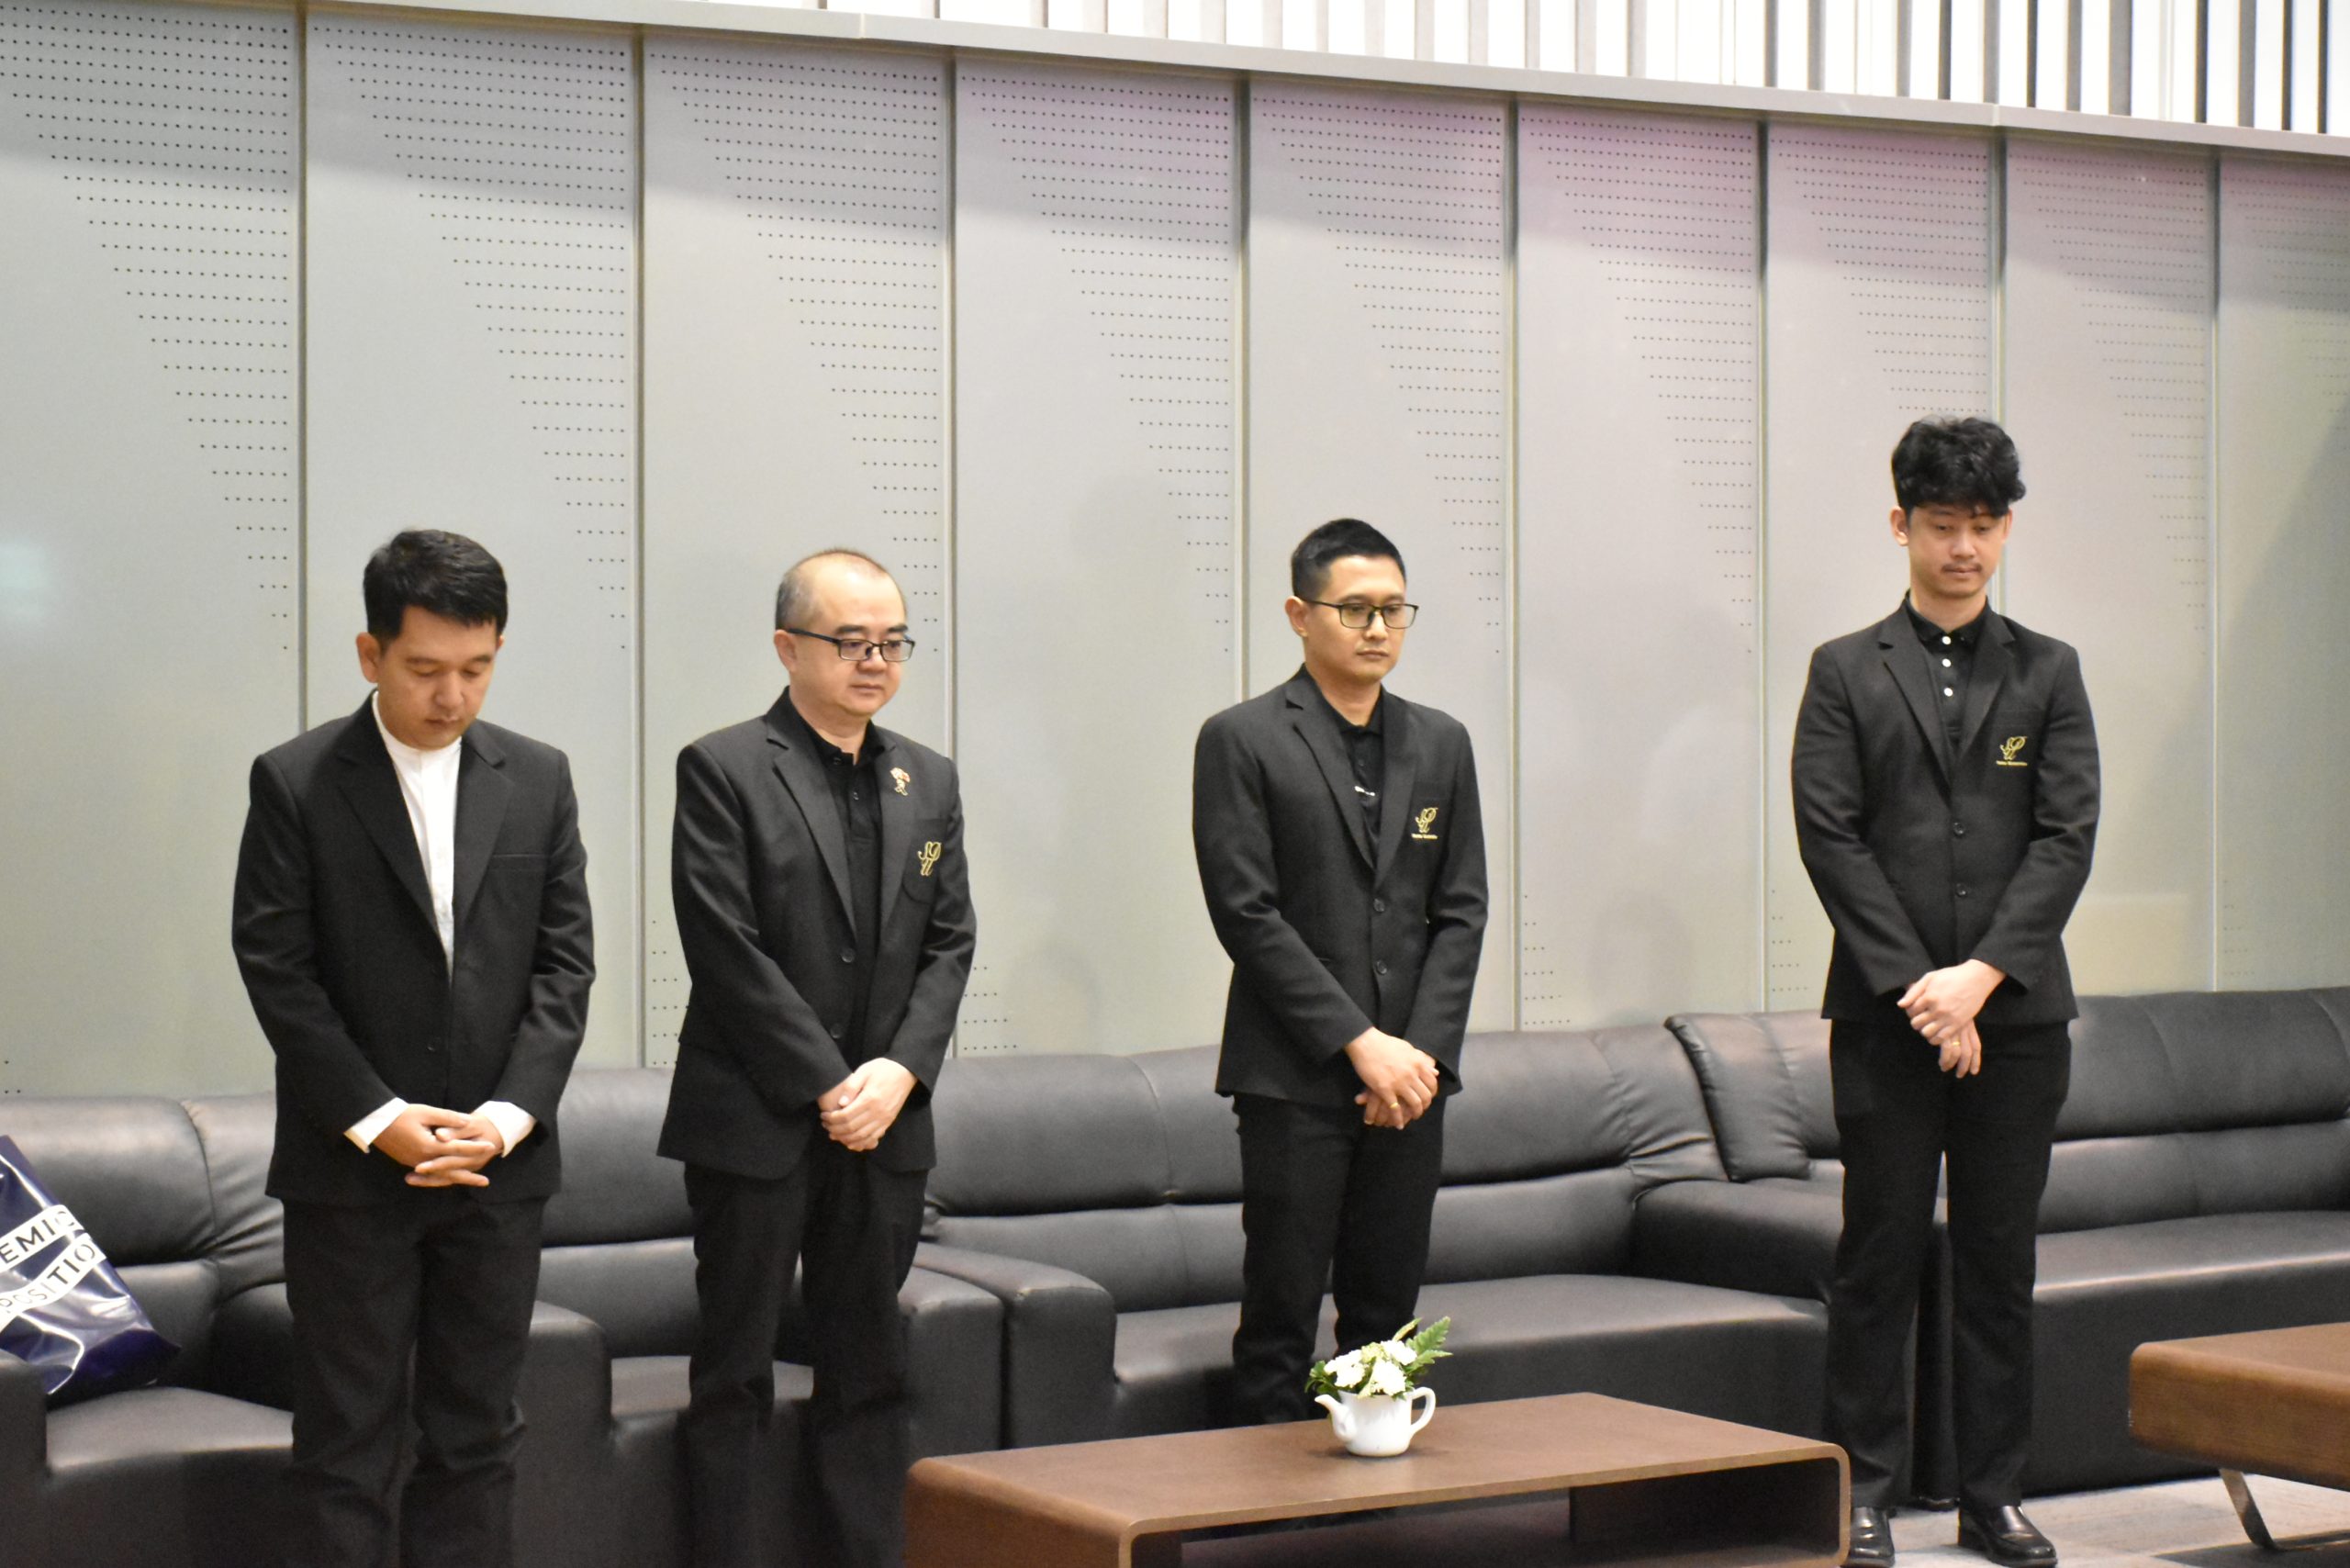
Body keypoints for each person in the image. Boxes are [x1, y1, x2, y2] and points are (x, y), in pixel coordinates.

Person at [231, 529, 595, 1568]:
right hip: (351, 1174)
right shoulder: (297, 780)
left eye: (477, 668)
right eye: (426, 668)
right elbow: (279, 971)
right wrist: (383, 1120)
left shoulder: (538, 776)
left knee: (478, 1441)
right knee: (345, 1447)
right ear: (370, 652)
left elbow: (564, 967)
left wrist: (505, 1119)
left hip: (496, 1167)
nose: (452, 695)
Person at [1793, 418, 2098, 1568]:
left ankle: (1992, 1496)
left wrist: (1978, 981)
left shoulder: (2049, 669)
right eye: (1940, 525)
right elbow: (1830, 836)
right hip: (1886, 1018)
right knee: (1875, 1252)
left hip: (2015, 1017)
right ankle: (1861, 1491)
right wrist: (1924, 990)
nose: (1962, 548)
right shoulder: (1844, 668)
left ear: (2005, 531)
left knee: (1997, 1261)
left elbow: (2065, 838)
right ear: (1900, 526)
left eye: (1981, 526)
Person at [660, 549, 974, 1568]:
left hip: (885, 1123)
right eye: (851, 642)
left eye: (892, 641)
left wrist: (900, 1072)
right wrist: (830, 1083)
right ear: (788, 648)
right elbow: (724, 946)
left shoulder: (928, 776)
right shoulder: (724, 766)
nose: (876, 661)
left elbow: (950, 943)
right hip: (757, 1118)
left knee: (870, 1370)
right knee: (736, 1373)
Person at [1192, 517, 1488, 1426]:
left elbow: (1460, 909)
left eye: (1393, 610)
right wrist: (1362, 1045)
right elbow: (1248, 915)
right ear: (1299, 614)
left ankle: (1375, 1491)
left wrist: (1419, 1055)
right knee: (1280, 1317)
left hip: (1411, 1082)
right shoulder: (1242, 738)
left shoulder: (1440, 741)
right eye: (1355, 609)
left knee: (1386, 1320)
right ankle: (1261, 1500)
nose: (1377, 628)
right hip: (1296, 1074)